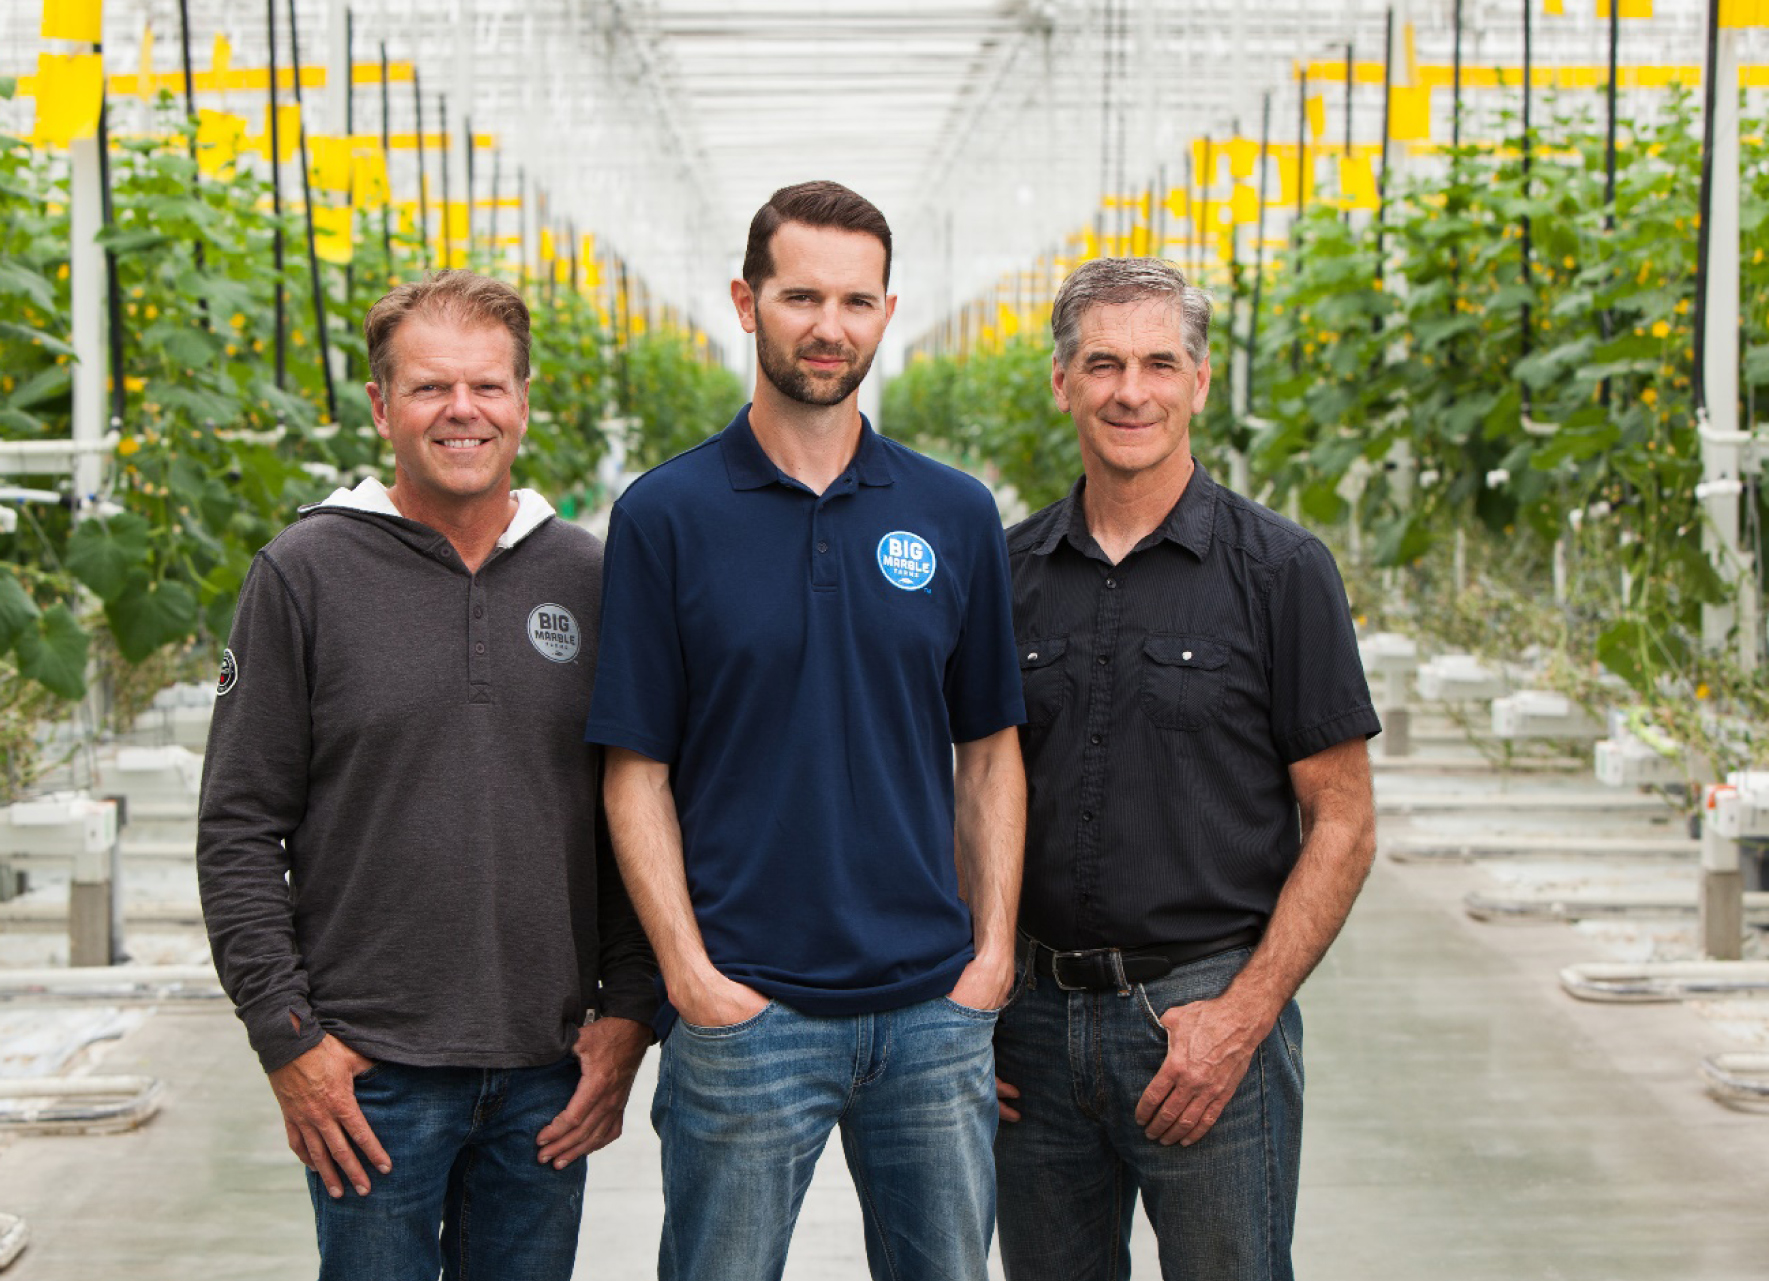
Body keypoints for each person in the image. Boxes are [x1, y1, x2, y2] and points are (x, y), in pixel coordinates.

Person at [588, 180, 1027, 1281]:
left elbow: (989, 752)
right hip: (749, 1010)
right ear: (746, 303)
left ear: (888, 312)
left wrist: (992, 957)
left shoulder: (954, 513)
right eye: (799, 297)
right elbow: (634, 771)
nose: (829, 328)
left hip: (931, 1009)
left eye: (856, 301)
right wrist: (692, 979)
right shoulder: (666, 515)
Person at [196, 270, 656, 1281]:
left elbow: (631, 813)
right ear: (380, 405)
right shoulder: (304, 573)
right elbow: (238, 824)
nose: (463, 411)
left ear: (524, 403)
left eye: (488, 387)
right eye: (429, 388)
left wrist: (627, 1015)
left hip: (547, 1075)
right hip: (368, 1076)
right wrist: (288, 1039)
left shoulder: (589, 576)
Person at [995, 256, 1380, 1281]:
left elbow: (1343, 821)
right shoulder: (1006, 575)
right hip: (1026, 1030)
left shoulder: (1283, 574)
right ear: (1062, 381)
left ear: (1199, 383)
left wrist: (1245, 1018)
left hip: (1206, 1019)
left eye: (1160, 364)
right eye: (1105, 363)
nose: (1132, 391)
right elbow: (964, 796)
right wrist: (968, 1004)